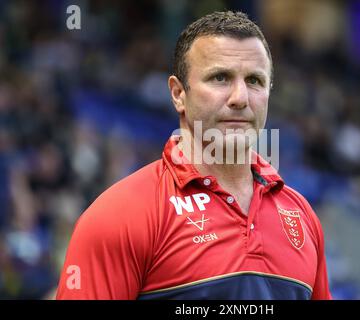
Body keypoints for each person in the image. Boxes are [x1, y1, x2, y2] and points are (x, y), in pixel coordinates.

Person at [56, 11, 332, 300]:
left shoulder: (302, 216)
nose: (240, 97)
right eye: (220, 78)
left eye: (254, 81)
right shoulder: (118, 215)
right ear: (178, 94)